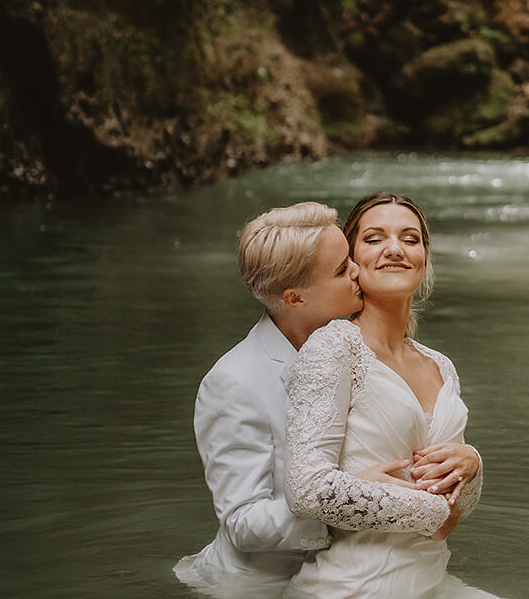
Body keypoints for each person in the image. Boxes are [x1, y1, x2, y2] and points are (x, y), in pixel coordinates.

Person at [174, 201, 480, 599]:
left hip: (398, 567)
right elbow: (243, 522)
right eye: (341, 269)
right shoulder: (234, 382)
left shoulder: (398, 356)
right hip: (261, 583)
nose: (356, 270)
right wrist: (347, 501)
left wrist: (470, 462)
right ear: (296, 298)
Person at [283, 192, 500, 599]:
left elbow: (454, 508)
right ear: (351, 262)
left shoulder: (440, 366)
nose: (395, 250)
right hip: (352, 586)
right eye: (374, 238)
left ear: (424, 258)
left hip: (431, 579)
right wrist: (432, 512)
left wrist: (472, 464)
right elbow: (307, 490)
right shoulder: (333, 348)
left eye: (410, 239)